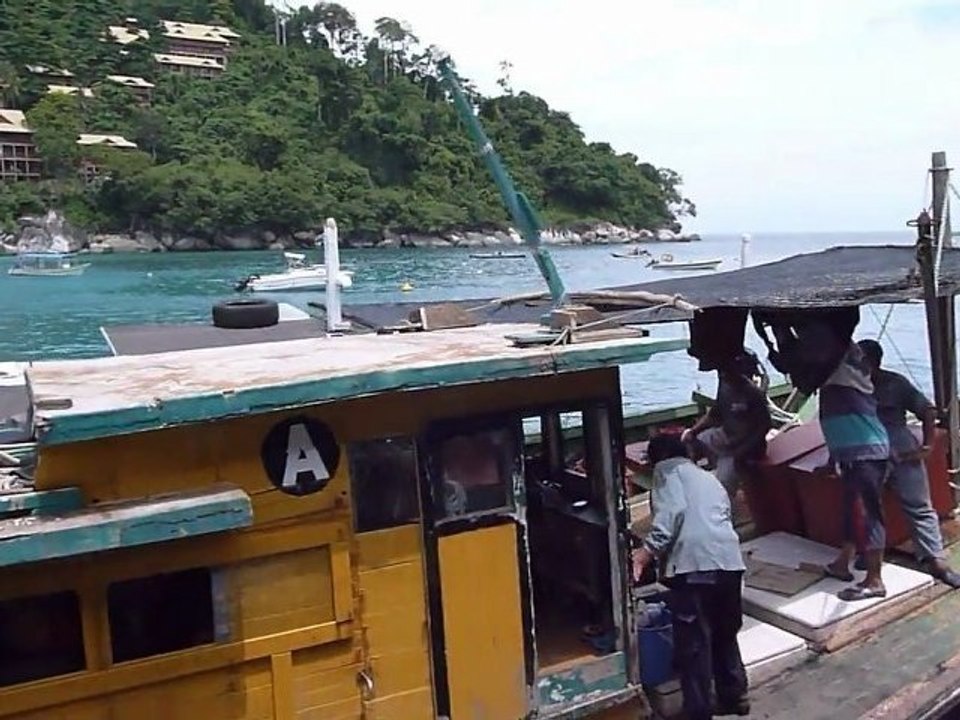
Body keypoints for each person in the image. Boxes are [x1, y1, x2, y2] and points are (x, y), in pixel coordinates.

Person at [632, 433, 749, 719]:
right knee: (724, 632)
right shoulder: (710, 479)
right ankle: (734, 697)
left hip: (694, 565)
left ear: (658, 457)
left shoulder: (666, 470)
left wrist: (645, 553)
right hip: (729, 562)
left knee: (694, 643)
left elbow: (671, 513)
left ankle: (698, 711)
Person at [857, 339, 960, 588]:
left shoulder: (895, 383)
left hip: (898, 448)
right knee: (868, 507)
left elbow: (927, 410)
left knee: (919, 505)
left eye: (860, 358)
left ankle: (936, 560)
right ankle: (870, 556)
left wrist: (927, 446)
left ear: (872, 360)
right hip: (868, 449)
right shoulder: (852, 386)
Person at [819, 340, 891, 601]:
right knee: (850, 507)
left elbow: (838, 340)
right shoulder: (841, 374)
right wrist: (831, 460)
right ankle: (843, 562)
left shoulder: (848, 368)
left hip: (867, 451)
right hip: (851, 453)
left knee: (871, 512)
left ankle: (875, 580)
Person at [682, 349, 772, 498]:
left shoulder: (753, 393)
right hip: (726, 436)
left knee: (722, 487)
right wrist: (693, 431)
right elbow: (715, 414)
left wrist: (741, 453)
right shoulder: (724, 386)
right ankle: (693, 482)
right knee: (689, 442)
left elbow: (764, 427)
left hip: (743, 447)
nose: (724, 375)